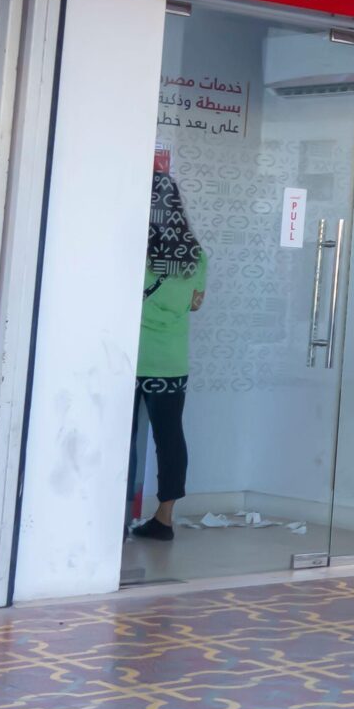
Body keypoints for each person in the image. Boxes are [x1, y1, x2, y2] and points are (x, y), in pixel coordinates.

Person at [131, 167, 207, 542]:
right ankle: (164, 518)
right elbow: (196, 303)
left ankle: (109, 514)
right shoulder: (194, 255)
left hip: (128, 360)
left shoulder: (133, 249)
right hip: (171, 362)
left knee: (120, 438)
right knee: (170, 438)